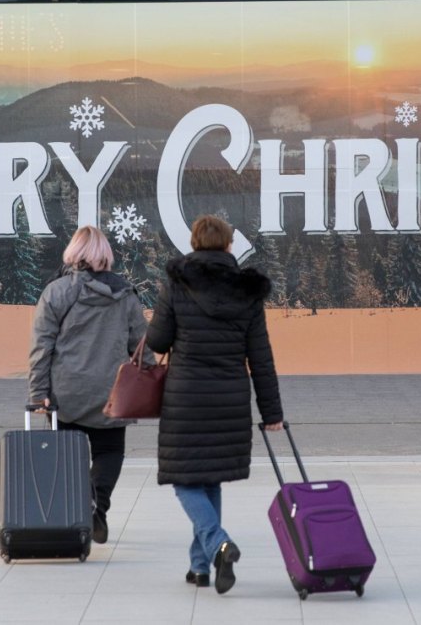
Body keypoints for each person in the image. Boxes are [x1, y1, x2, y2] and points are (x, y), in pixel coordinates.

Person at [146, 214, 283, 594]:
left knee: (183, 479)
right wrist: (272, 412)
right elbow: (261, 356)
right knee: (208, 478)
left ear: (193, 243)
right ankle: (200, 567)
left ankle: (218, 543)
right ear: (227, 246)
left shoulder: (176, 284)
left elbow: (157, 342)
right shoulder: (247, 291)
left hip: (187, 396)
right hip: (229, 397)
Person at [28, 225, 148, 545]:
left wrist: (39, 392)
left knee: (67, 457)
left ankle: (74, 515)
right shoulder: (126, 294)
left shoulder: (56, 292)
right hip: (113, 392)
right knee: (109, 451)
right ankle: (98, 505)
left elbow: (42, 347)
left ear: (74, 253)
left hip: (66, 393)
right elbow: (142, 347)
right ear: (105, 256)